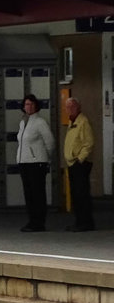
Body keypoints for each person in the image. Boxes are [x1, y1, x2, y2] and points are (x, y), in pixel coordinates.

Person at [15, 94, 53, 232]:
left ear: (36, 106)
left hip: (36, 163)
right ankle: (32, 221)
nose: (28, 107)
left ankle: (39, 222)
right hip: (24, 162)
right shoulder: (23, 122)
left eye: (31, 104)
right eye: (26, 104)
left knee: (38, 194)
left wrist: (44, 157)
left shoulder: (40, 122)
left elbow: (50, 142)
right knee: (29, 194)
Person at [63, 97, 95, 232]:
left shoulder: (83, 122)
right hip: (72, 163)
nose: (70, 109)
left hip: (80, 163)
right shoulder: (72, 122)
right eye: (68, 107)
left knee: (82, 194)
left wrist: (80, 159)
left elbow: (89, 143)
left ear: (78, 107)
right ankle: (79, 221)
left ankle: (86, 222)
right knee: (76, 195)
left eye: (73, 107)